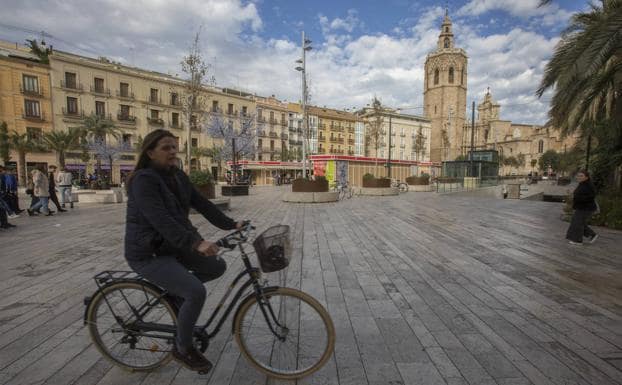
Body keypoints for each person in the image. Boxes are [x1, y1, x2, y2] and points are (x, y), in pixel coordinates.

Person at [125, 129, 244, 372]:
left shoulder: (177, 175)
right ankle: (182, 348)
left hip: (174, 246)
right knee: (195, 291)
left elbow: (202, 204)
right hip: (148, 252)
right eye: (165, 148)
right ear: (150, 152)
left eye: (173, 147)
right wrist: (196, 243)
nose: (172, 152)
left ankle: (174, 293)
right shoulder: (143, 180)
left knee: (217, 266)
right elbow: (161, 220)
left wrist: (231, 224)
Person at [566, 170, 598, 245]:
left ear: (586, 177)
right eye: (578, 176)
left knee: (578, 223)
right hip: (581, 207)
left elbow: (591, 197)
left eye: (581, 176)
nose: (579, 177)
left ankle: (578, 240)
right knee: (578, 222)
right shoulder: (582, 184)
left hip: (586, 208)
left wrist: (578, 198)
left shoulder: (589, 185)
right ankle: (592, 235)